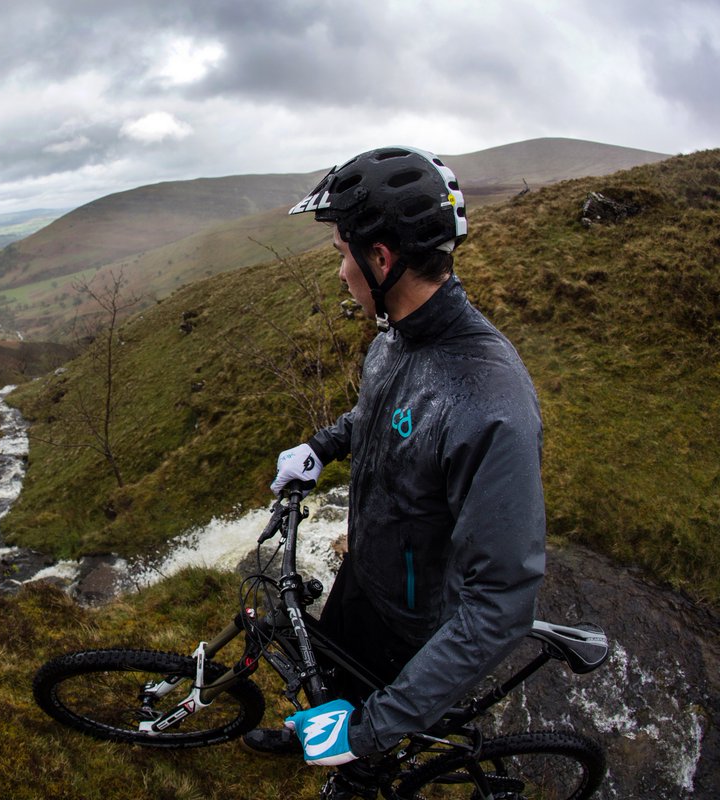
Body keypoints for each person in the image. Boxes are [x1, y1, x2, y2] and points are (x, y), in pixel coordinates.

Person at [243, 146, 546, 798]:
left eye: (342, 254)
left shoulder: (491, 405)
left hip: (411, 628)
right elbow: (376, 417)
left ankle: (356, 771)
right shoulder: (395, 339)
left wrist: (370, 731)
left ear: (381, 259)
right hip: (366, 577)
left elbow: (500, 605)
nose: (340, 271)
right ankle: (311, 733)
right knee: (326, 676)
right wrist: (322, 448)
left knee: (363, 767)